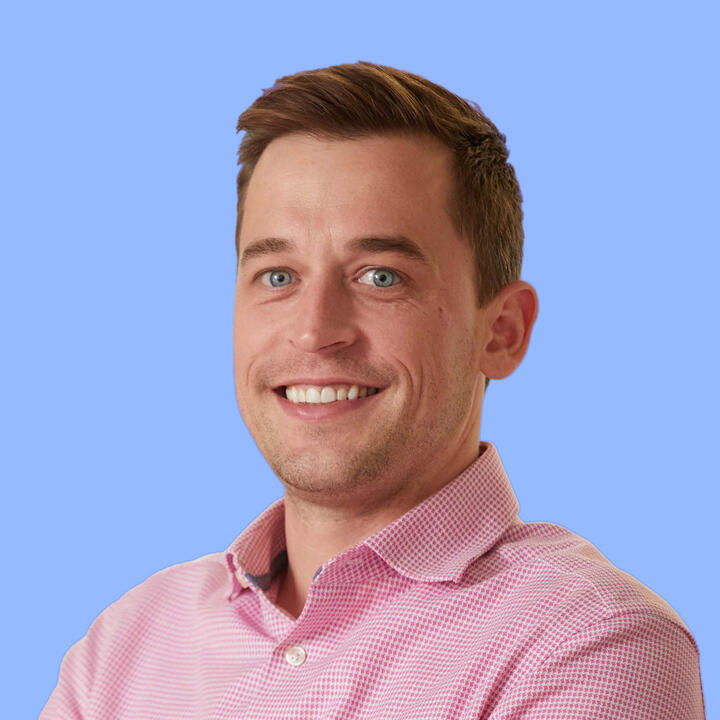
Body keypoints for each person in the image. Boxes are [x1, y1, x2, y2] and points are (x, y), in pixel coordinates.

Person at [41, 61, 706, 719]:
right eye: (278, 276)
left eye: (380, 276)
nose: (314, 332)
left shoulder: (591, 643)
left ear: (502, 332)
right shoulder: (126, 646)